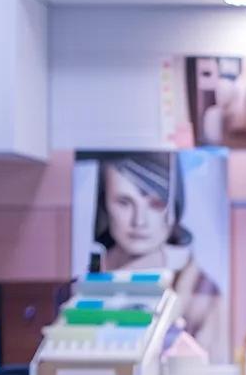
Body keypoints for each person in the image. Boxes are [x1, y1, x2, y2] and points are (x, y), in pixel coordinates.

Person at [91, 152, 226, 359]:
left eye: (155, 203)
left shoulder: (201, 292)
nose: (139, 221)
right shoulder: (83, 286)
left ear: (174, 206)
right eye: (124, 202)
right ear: (103, 204)